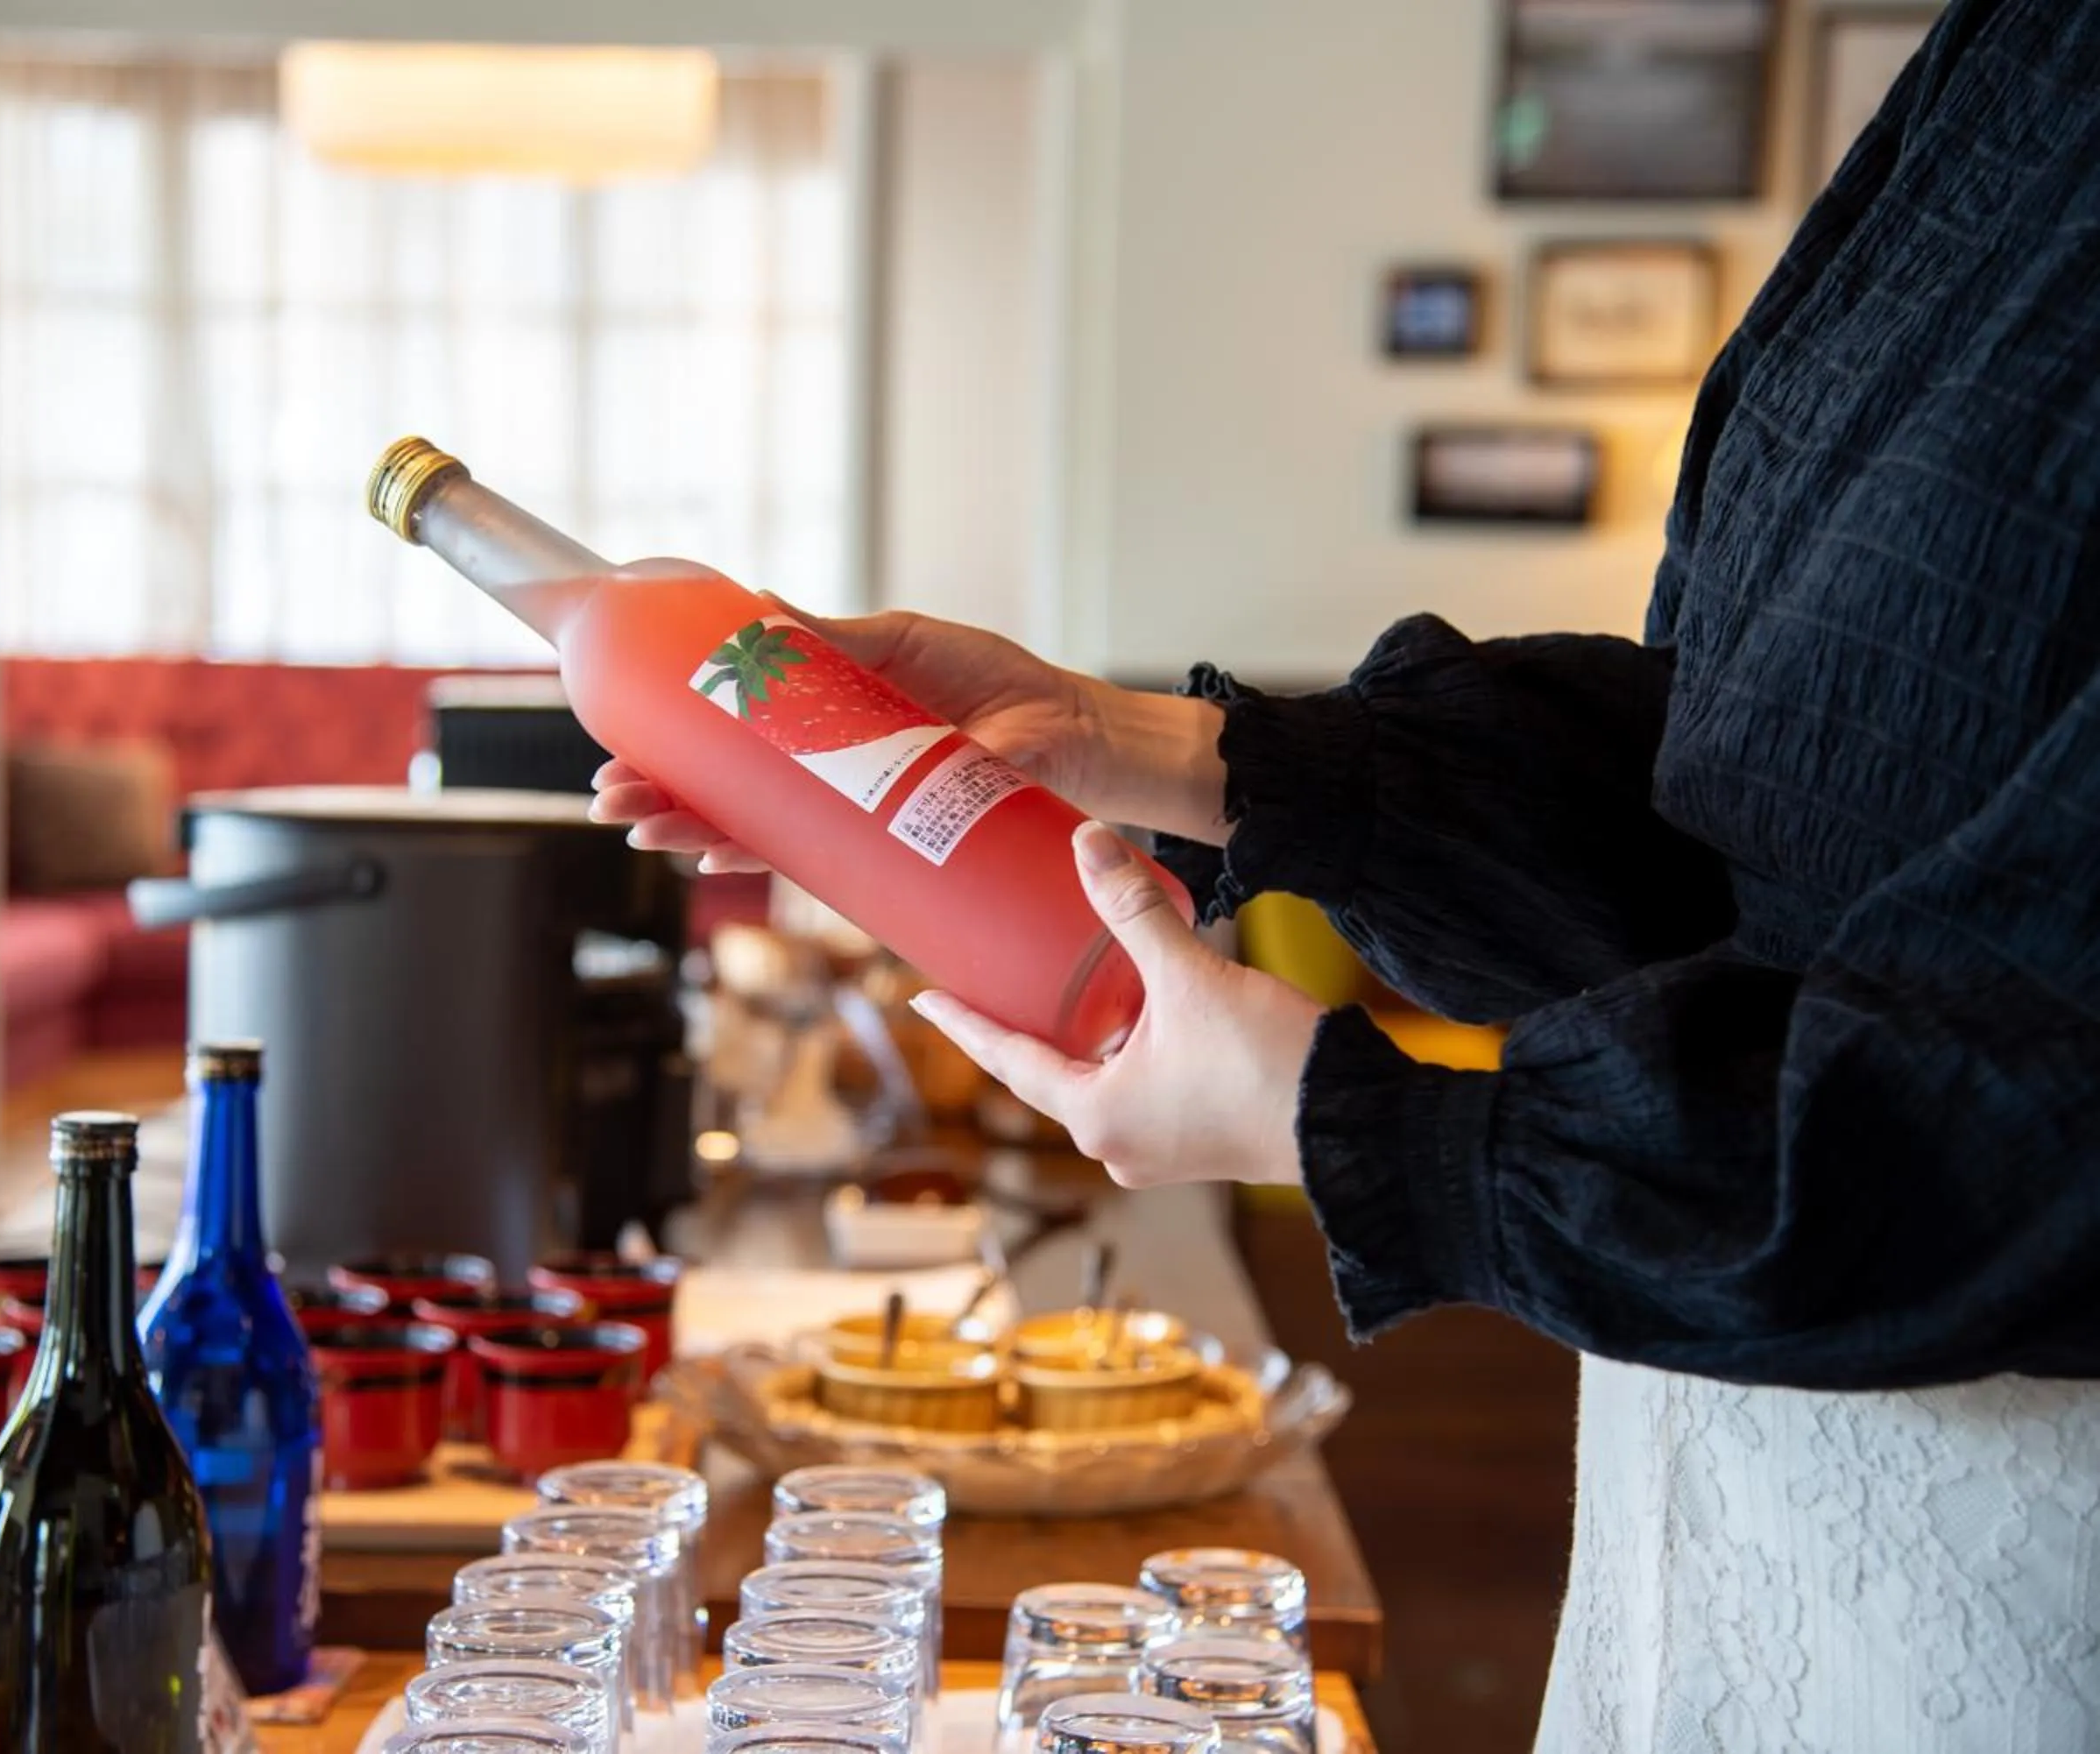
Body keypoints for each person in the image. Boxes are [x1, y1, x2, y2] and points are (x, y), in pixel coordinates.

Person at [595, 2, 2100, 1745]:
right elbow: (1738, 821)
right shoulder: (2010, 55)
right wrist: (1143, 739)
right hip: (1720, 1453)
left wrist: (1354, 1116)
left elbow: (2037, 1094)